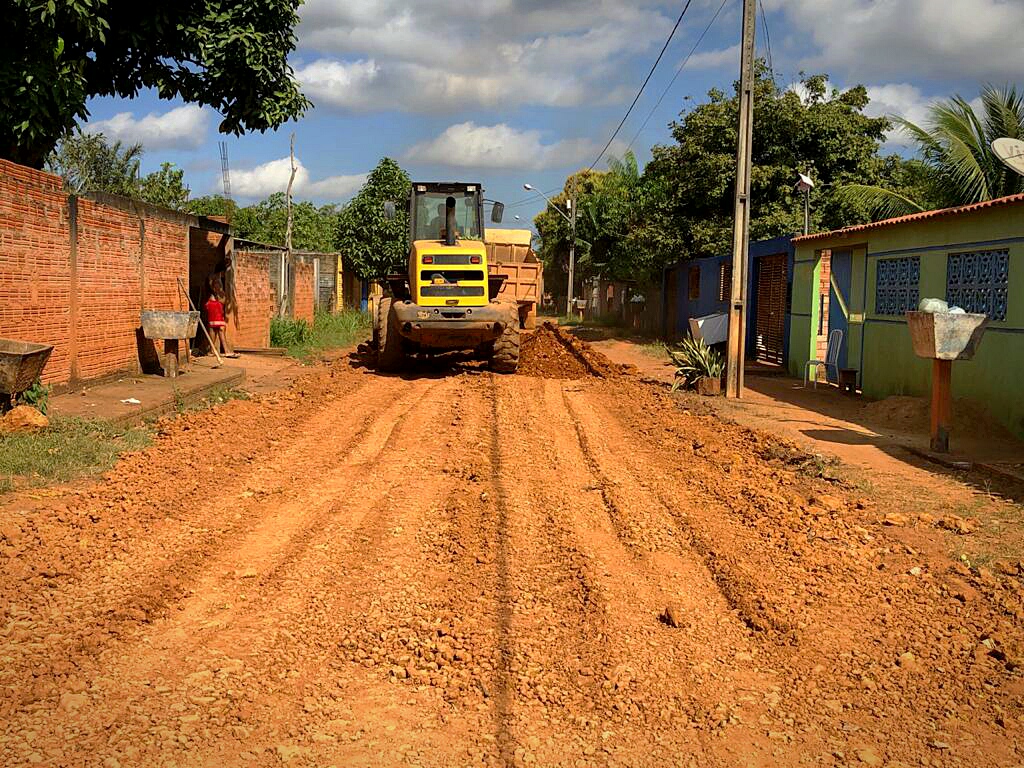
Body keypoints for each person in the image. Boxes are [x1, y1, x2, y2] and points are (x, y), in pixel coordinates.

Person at [204, 276, 238, 358]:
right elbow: (207, 304)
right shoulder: (210, 293)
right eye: (216, 283)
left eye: (219, 283)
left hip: (219, 315)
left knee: (221, 330)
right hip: (213, 315)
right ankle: (212, 351)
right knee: (213, 332)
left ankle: (225, 350)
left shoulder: (221, 293)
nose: (217, 285)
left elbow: (224, 301)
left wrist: (218, 294)